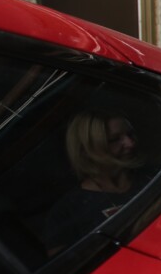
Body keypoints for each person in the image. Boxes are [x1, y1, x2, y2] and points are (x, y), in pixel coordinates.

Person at [42, 109, 149, 255]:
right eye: (114, 139)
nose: (130, 143)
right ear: (86, 149)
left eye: (130, 134)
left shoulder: (155, 174)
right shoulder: (66, 212)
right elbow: (72, 269)